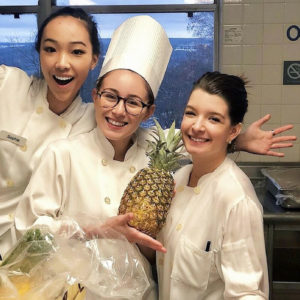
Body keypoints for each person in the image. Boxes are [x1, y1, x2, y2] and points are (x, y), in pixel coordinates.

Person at [13, 14, 295, 299]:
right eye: (110, 96)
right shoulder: (62, 155)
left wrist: (237, 140)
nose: (119, 111)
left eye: (134, 102)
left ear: (149, 112)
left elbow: (195, 140)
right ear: (96, 96)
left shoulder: (157, 157)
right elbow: (28, 234)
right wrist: (94, 229)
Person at [156, 72, 269, 299]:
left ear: (234, 131)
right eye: (191, 113)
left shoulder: (236, 199)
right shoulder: (177, 179)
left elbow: (247, 294)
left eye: (214, 119)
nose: (197, 126)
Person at [0, 6, 99, 256]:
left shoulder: (94, 122)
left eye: (76, 52)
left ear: (93, 60)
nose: (61, 63)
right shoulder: (7, 84)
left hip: (32, 258)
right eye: (50, 49)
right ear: (39, 53)